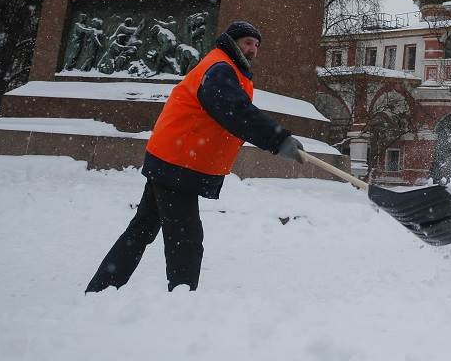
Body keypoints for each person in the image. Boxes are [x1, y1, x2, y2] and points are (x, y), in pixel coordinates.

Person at [85, 21, 304, 293]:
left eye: (257, 45)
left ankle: (101, 289)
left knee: (141, 230)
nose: (253, 49)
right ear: (232, 42)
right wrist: (277, 138)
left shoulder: (227, 69)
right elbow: (235, 111)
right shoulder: (220, 68)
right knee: (185, 239)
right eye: (247, 42)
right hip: (178, 162)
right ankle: (182, 302)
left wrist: (277, 139)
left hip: (172, 157)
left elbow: (235, 110)